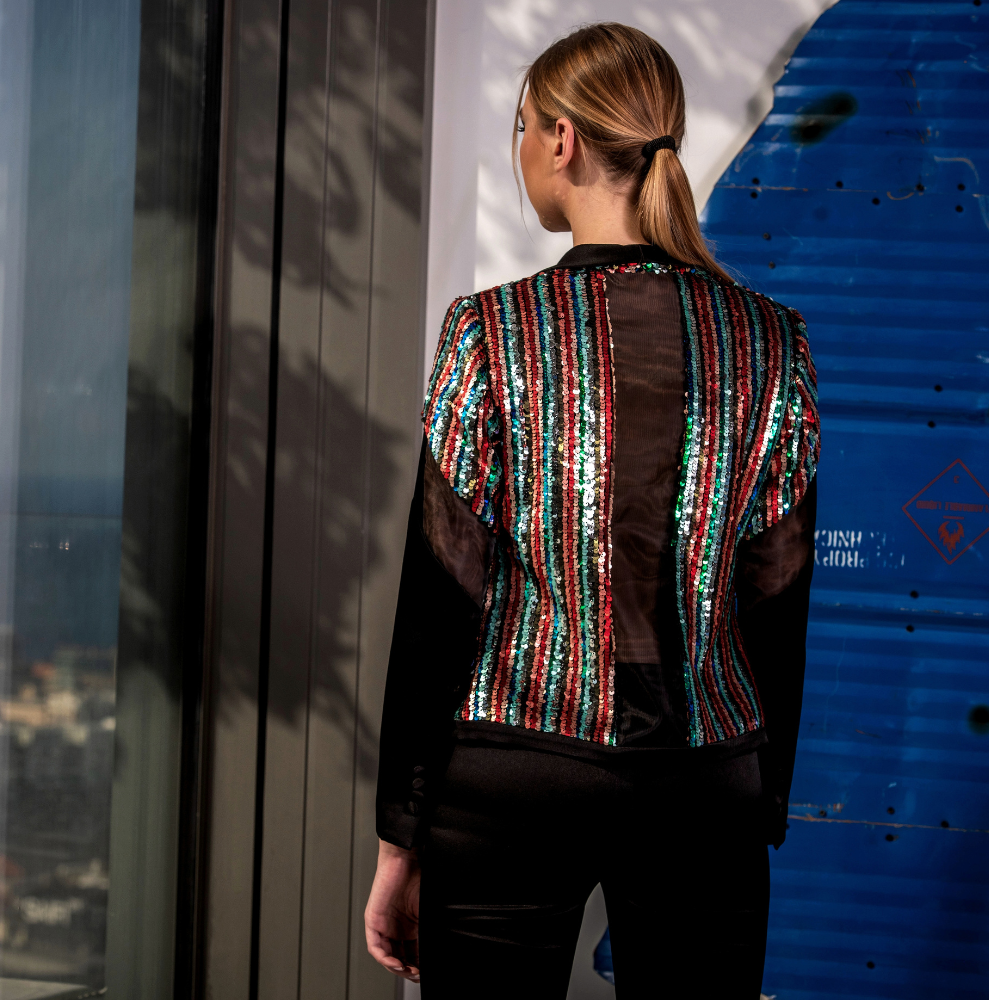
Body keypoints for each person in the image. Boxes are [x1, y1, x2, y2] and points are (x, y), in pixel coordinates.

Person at [365, 22, 819, 1000]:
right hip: (706, 786)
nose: (521, 146)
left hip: (509, 781)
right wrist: (760, 798)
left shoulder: (489, 334)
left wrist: (400, 838)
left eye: (522, 125)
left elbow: (440, 598)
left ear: (562, 140)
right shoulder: (770, 343)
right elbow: (778, 596)